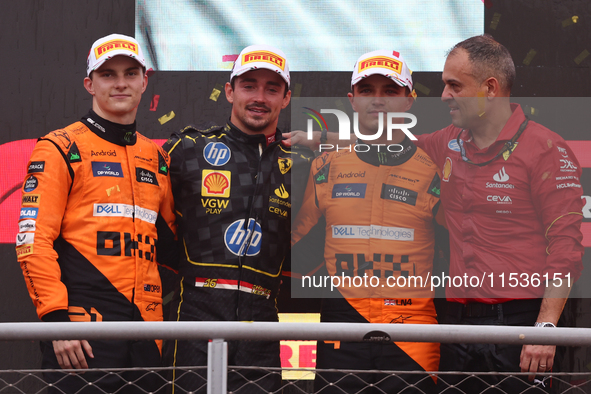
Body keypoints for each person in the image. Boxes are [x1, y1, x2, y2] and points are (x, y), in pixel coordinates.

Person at [415, 35, 584, 393]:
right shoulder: (447, 141)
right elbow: (391, 147)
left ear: (489, 88)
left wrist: (546, 328)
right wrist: (314, 139)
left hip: (522, 324)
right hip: (456, 323)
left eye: (454, 86)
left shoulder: (546, 148)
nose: (444, 96)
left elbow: (566, 247)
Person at [15, 34, 177, 393]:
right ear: (89, 84)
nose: (120, 83)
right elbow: (32, 240)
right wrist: (57, 322)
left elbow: (176, 244)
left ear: (144, 80)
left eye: (130, 73)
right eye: (108, 74)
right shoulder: (60, 147)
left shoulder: (157, 158)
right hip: (82, 332)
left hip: (149, 331)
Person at [161, 44, 313, 393]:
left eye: (272, 88)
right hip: (195, 317)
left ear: (286, 98)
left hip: (262, 319)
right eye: (249, 85)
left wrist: (327, 140)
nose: (260, 97)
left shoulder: (303, 165)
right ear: (230, 91)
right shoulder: (188, 149)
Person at [291, 50, 443, 394]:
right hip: (342, 326)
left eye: (390, 91)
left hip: (413, 330)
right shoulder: (325, 166)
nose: (378, 101)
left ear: (409, 101)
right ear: (352, 100)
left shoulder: (434, 168)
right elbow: (296, 248)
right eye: (367, 90)